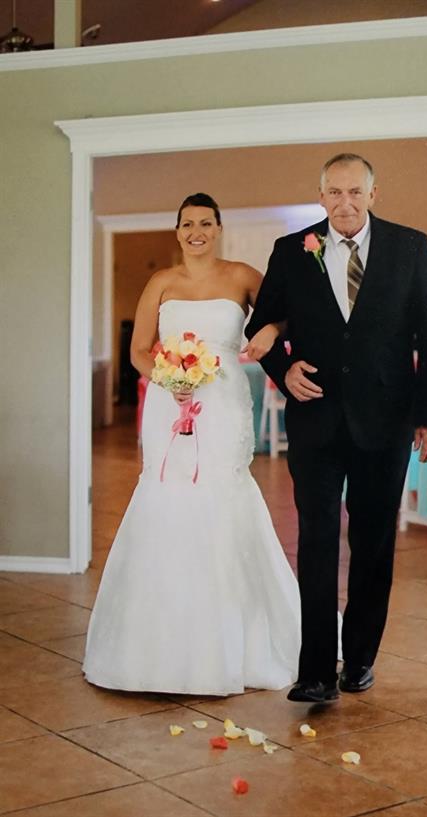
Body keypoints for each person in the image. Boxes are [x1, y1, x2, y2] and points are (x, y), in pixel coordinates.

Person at [246, 154, 427, 704]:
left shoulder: (410, 247)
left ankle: (358, 657)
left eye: (354, 192)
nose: (344, 202)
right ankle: (314, 669)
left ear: (373, 193)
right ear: (320, 197)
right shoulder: (292, 251)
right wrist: (282, 371)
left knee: (373, 540)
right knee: (314, 537)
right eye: (334, 193)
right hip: (314, 419)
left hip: (385, 422)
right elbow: (260, 326)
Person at [83, 193, 300, 695]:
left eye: (205, 223)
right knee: (167, 495)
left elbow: (286, 313)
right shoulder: (161, 282)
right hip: (168, 402)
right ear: (177, 231)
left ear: (219, 228)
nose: (196, 231)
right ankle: (157, 645)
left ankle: (232, 643)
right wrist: (164, 378)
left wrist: (267, 328)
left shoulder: (242, 275)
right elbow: (138, 349)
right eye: (187, 224)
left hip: (221, 403)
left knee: (221, 495)